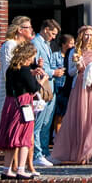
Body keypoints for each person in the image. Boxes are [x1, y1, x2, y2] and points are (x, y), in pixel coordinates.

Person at [52, 25, 92, 165]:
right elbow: (70, 72)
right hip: (80, 86)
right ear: (80, 36)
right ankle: (81, 151)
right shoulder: (74, 51)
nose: (88, 37)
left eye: (90, 35)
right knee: (81, 118)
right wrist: (77, 67)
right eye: (85, 35)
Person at [0, 40, 44, 179]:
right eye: (33, 56)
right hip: (23, 104)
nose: (33, 59)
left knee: (12, 137)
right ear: (28, 56)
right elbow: (33, 89)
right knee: (24, 137)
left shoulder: (11, 68)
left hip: (10, 103)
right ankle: (21, 169)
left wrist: (31, 73)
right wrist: (41, 80)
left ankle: (6, 169)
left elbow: (20, 80)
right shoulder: (24, 70)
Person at [0, 14, 31, 148]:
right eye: (28, 27)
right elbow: (9, 69)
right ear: (20, 30)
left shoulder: (21, 45)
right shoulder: (9, 45)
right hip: (13, 91)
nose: (31, 30)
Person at [32, 17, 63, 168]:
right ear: (45, 30)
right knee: (39, 122)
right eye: (53, 33)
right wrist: (54, 72)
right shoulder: (35, 43)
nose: (54, 37)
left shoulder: (46, 44)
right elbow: (37, 67)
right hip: (42, 87)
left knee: (47, 122)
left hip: (50, 88)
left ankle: (44, 152)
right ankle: (36, 154)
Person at [52, 33, 77, 126]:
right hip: (59, 87)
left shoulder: (73, 55)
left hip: (70, 87)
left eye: (74, 43)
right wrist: (58, 70)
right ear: (63, 44)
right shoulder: (55, 55)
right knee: (59, 114)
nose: (73, 45)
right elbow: (52, 69)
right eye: (71, 43)